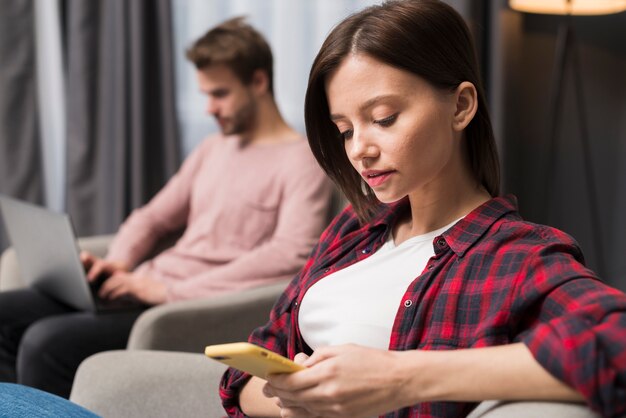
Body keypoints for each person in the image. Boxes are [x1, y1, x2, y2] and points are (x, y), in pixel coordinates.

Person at [219, 1, 626, 417]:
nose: (359, 149)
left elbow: (616, 345)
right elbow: (244, 375)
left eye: (384, 118)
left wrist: (400, 377)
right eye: (345, 130)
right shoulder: (355, 230)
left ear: (461, 106)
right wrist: (297, 404)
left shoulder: (516, 256)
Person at [0, 17, 332, 398]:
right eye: (205, 94)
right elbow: (154, 217)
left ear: (258, 82)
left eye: (220, 94)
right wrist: (120, 263)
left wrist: (167, 290)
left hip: (184, 308)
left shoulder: (302, 160)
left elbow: (288, 256)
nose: (209, 108)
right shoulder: (212, 149)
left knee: (45, 342)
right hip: (142, 286)